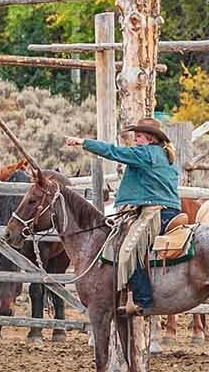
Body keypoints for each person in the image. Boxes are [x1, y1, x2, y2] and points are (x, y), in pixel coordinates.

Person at [65, 118, 182, 315]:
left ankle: (143, 300)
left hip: (156, 212)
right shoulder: (162, 154)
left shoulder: (146, 153)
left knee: (129, 250)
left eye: (138, 136)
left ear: (150, 138)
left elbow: (113, 152)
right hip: (165, 210)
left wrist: (83, 142)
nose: (135, 140)